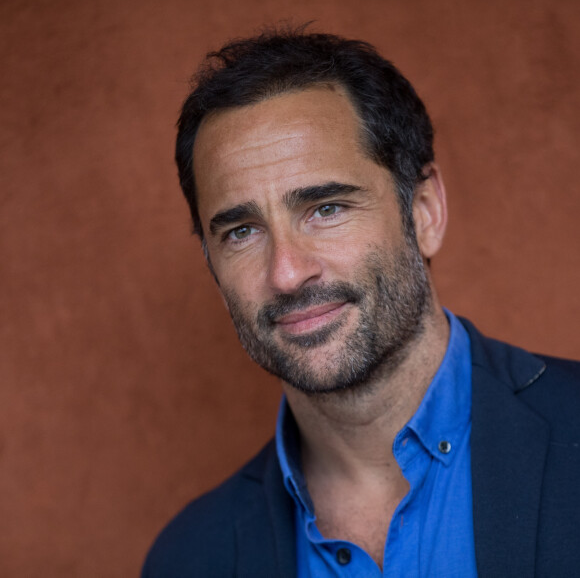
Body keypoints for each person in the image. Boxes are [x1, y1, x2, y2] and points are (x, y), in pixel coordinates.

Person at [142, 29, 580, 578]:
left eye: (326, 208)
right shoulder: (189, 559)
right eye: (242, 232)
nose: (287, 272)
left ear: (423, 213)